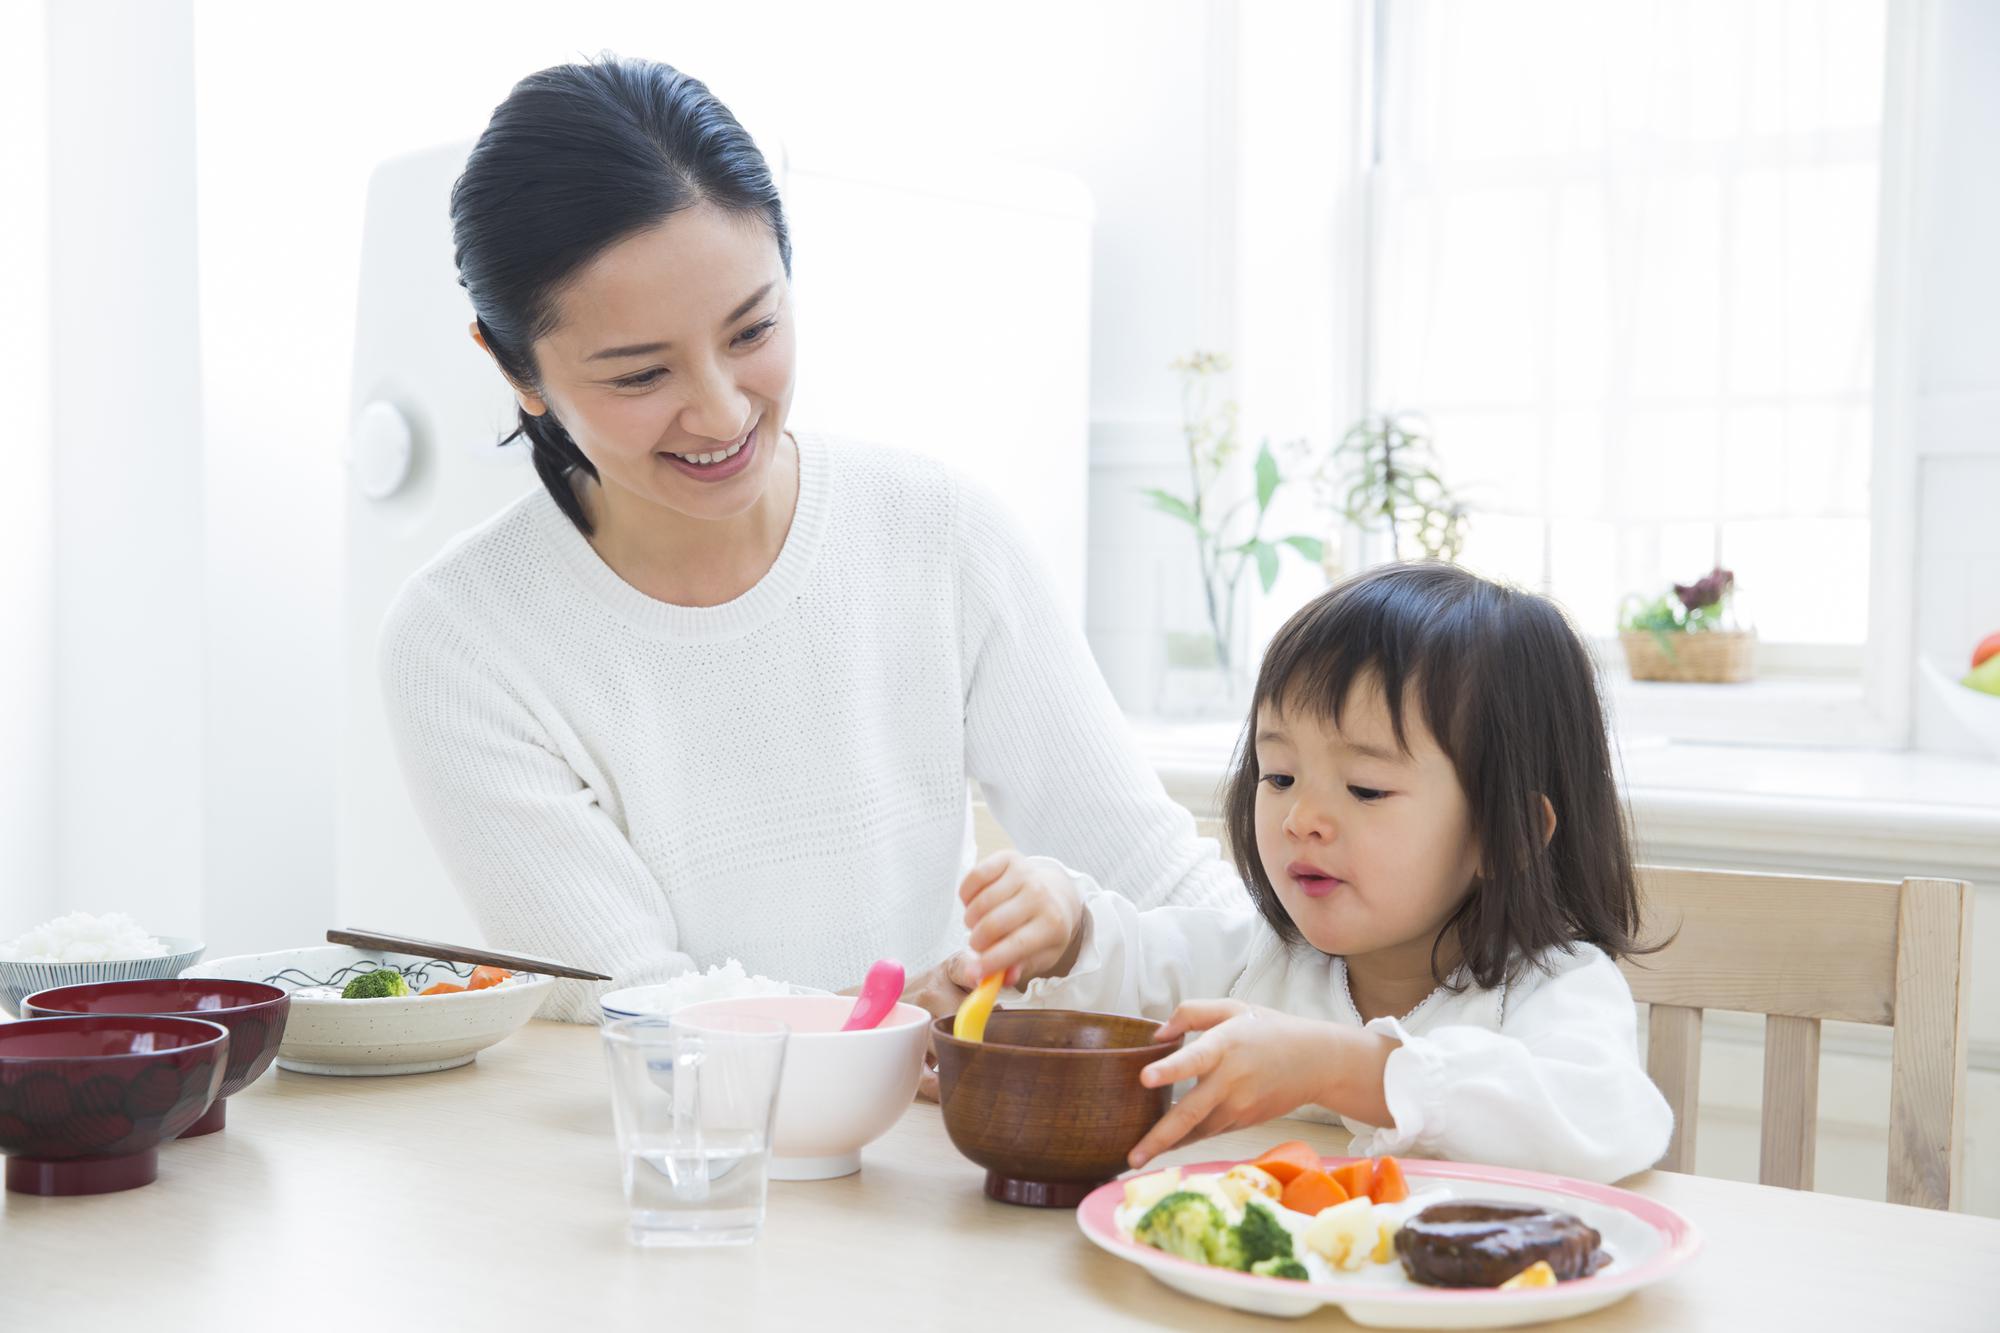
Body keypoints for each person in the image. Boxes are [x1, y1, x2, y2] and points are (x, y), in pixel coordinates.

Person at [379, 55, 1236, 1024]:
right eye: (638, 375)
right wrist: (880, 1027)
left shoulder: (938, 531)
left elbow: (1157, 877)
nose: (719, 411)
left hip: (939, 1149)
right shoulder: (461, 639)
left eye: (751, 332)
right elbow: (630, 1004)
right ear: (516, 369)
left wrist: (1380, 1035)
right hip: (671, 1164)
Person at [945, 562, 1674, 1183]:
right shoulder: (1251, 960)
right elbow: (1134, 959)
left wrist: (1339, 1066)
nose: (1301, 819)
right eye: (1281, 774)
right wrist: (1066, 924)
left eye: (1364, 788)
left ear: (1506, 833)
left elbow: (1607, 1111)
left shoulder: (1556, 987)